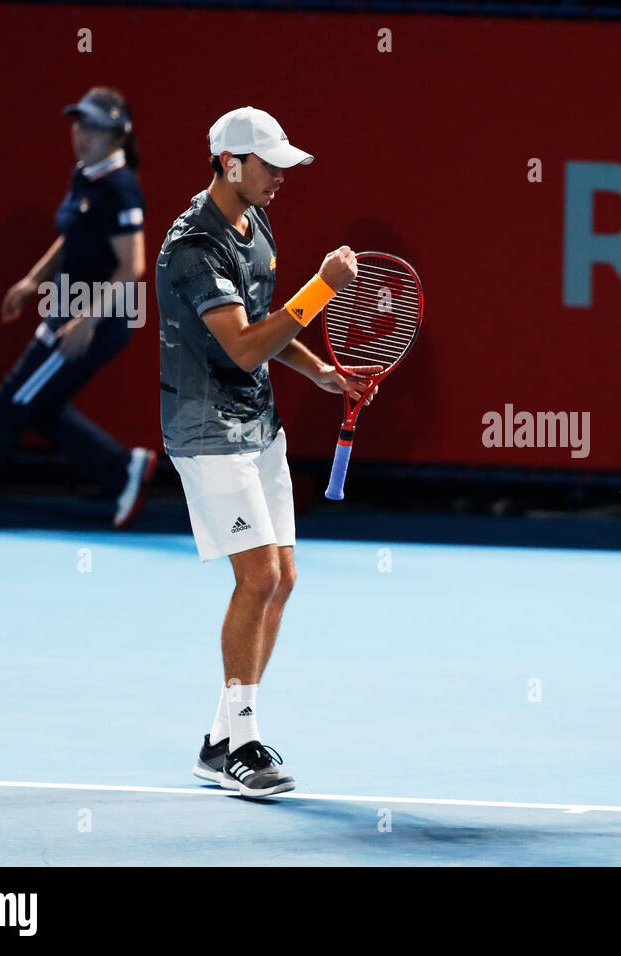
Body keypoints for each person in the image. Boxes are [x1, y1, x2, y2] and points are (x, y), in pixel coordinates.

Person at [156, 107, 377, 798]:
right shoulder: (194, 247)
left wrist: (320, 373)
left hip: (259, 424)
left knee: (282, 577)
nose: (281, 176)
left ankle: (220, 742)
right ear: (229, 163)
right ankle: (243, 745)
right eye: (268, 164)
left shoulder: (255, 222)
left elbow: (265, 324)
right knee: (256, 578)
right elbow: (244, 345)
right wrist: (322, 290)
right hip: (207, 431)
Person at [0, 87, 156, 527]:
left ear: (117, 135)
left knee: (12, 400)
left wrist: (86, 319)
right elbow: (71, 236)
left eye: (94, 127)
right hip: (66, 312)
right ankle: (123, 471)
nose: (81, 135)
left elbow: (132, 267)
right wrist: (32, 280)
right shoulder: (87, 175)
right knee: (36, 405)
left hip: (95, 320)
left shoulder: (119, 187)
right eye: (79, 124)